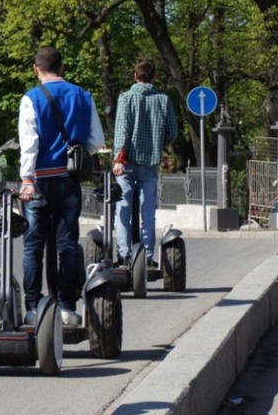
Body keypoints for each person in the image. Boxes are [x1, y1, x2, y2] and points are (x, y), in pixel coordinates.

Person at [18, 46, 105, 325]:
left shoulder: (31, 99)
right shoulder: (83, 96)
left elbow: (29, 144)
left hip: (39, 182)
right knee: (67, 246)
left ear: (36, 69)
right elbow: (96, 142)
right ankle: (67, 308)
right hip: (69, 180)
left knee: (34, 246)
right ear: (63, 67)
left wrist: (27, 179)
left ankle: (33, 309)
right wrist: (75, 150)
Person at [111, 60, 178, 267]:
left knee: (123, 210)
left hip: (127, 163)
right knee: (148, 211)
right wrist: (157, 144)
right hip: (149, 163)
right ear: (154, 77)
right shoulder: (163, 100)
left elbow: (122, 130)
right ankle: (148, 257)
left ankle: (124, 255)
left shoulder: (126, 98)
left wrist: (118, 159)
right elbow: (173, 132)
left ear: (135, 76)